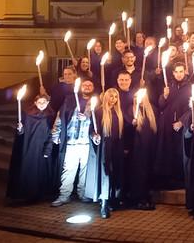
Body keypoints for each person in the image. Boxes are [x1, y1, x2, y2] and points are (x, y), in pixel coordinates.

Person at [51, 77, 96, 206]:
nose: (87, 87)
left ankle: (83, 193)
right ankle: (64, 195)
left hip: (87, 142)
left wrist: (88, 117)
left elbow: (98, 122)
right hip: (71, 141)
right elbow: (60, 117)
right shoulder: (70, 100)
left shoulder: (95, 103)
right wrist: (55, 134)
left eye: (90, 85)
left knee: (85, 170)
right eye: (85, 85)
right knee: (69, 169)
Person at [6, 94, 55, 204]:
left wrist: (48, 148)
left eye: (44, 102)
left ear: (48, 103)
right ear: (35, 102)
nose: (42, 104)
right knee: (29, 170)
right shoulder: (28, 114)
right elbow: (21, 132)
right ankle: (26, 194)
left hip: (43, 147)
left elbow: (52, 133)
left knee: (41, 172)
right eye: (39, 102)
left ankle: (40, 194)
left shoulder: (50, 116)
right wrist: (20, 129)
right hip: (29, 147)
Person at [83, 88, 125, 218]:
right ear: (106, 97)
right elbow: (91, 128)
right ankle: (104, 203)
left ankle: (113, 199)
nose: (113, 99)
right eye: (111, 96)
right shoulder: (99, 111)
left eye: (115, 97)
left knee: (115, 173)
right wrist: (94, 135)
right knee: (105, 174)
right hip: (104, 147)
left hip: (116, 147)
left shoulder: (118, 113)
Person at [154, 63, 190, 189]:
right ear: (173, 73)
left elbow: (191, 108)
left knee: (179, 152)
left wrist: (181, 121)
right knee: (167, 151)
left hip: (181, 125)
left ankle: (179, 179)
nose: (179, 74)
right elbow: (161, 105)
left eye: (181, 71)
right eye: (177, 72)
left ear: (185, 72)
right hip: (167, 125)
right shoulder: (169, 86)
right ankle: (167, 180)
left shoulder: (190, 87)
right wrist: (164, 96)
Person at [127, 89, 158, 210]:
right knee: (138, 173)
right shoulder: (131, 110)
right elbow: (126, 130)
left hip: (149, 148)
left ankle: (146, 196)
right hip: (137, 148)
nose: (137, 99)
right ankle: (139, 199)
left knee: (148, 172)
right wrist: (131, 124)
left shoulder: (152, 110)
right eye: (135, 97)